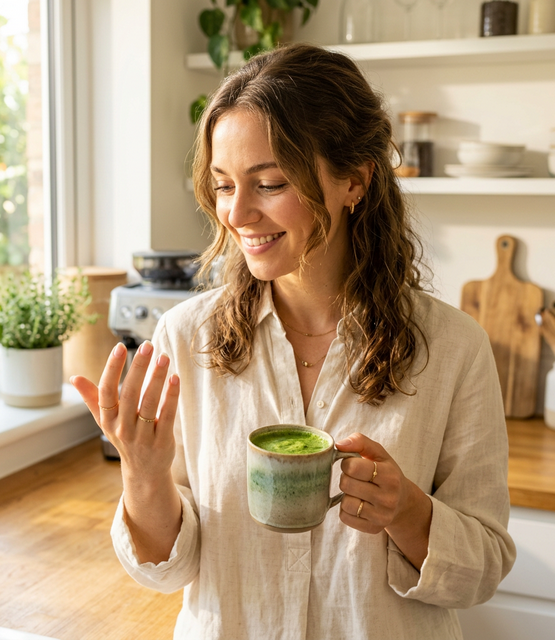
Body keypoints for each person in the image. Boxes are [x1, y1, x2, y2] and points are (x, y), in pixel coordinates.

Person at [71, 43, 516, 639]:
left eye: (271, 183)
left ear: (354, 180)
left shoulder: (453, 348)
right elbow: (164, 571)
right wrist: (144, 476)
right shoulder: (187, 338)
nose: (237, 214)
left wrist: (407, 512)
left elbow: (483, 566)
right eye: (224, 186)